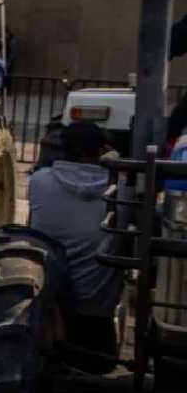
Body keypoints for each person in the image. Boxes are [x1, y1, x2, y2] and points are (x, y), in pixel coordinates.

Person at [29, 122, 123, 337]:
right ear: (103, 152)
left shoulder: (39, 181)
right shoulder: (120, 188)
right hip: (97, 306)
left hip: (49, 294)